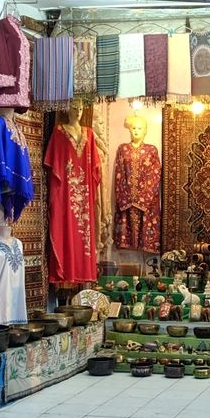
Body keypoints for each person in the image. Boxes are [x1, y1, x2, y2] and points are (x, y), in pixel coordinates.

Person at [44, 99, 103, 283]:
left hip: (84, 193)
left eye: (80, 108)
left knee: (83, 231)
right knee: (64, 224)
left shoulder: (89, 134)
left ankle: (82, 270)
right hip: (65, 191)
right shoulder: (59, 132)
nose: (78, 111)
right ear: (66, 109)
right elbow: (53, 164)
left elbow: (96, 169)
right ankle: (64, 269)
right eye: (74, 107)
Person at [114, 113, 161, 253]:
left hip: (146, 199)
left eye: (140, 128)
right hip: (127, 197)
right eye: (134, 128)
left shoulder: (151, 150)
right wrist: (125, 196)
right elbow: (119, 172)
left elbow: (155, 174)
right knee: (126, 221)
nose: (136, 131)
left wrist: (142, 197)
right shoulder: (123, 149)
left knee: (146, 223)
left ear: (145, 131)